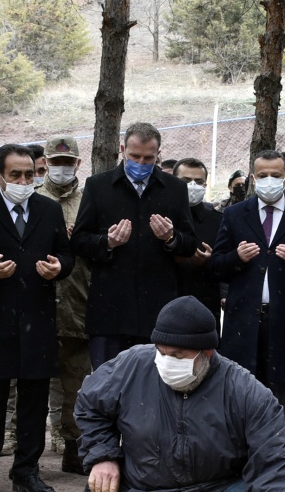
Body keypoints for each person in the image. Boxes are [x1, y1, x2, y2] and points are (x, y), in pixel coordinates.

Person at [77, 296, 285, 492]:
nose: (165, 362)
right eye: (160, 351)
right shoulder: (132, 365)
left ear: (206, 352)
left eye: (178, 356)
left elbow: (280, 457)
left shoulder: (243, 389)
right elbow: (90, 404)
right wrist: (103, 455)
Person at [0, 143, 74, 492]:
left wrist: (60, 267)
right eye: (16, 175)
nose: (25, 181)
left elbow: (66, 253)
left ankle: (27, 470)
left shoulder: (49, 209)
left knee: (34, 399)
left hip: (38, 316)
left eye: (30, 174)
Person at [208, 149, 285, 444]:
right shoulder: (234, 214)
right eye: (264, 176)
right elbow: (216, 265)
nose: (270, 181)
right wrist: (236, 257)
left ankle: (280, 457)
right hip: (243, 321)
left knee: (283, 394)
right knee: (240, 391)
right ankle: (241, 458)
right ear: (254, 178)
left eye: (276, 175)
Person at [71, 121, 197, 370]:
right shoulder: (99, 186)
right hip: (110, 309)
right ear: (122, 150)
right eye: (134, 156)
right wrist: (106, 241)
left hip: (157, 310)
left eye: (148, 158)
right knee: (108, 387)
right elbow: (79, 241)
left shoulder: (174, 189)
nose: (140, 163)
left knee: (154, 387)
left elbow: (190, 244)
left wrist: (171, 238)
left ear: (158, 154)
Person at [40, 136, 92, 474]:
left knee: (76, 381)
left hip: (78, 300)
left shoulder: (90, 200)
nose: (62, 168)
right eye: (56, 162)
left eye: (68, 162)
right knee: (30, 381)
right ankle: (20, 442)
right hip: (39, 304)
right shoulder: (32, 198)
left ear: (78, 164)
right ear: (44, 162)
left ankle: (73, 446)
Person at [174, 157, 223, 320]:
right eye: (186, 180)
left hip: (205, 302)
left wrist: (210, 260)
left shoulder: (218, 220)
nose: (192, 186)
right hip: (167, 299)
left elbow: (227, 261)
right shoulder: (161, 217)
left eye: (198, 181)